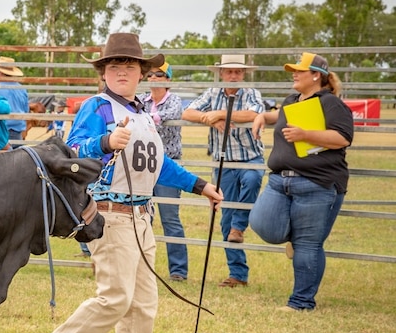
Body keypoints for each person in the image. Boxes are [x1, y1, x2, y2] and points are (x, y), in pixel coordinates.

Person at [15, 33, 223, 333]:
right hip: (110, 215)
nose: (122, 71)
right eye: (114, 66)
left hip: (142, 215)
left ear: (142, 72)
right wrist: (106, 142)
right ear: (104, 72)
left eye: (129, 65)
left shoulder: (143, 115)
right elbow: (72, 151)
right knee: (115, 298)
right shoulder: (97, 107)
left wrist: (200, 185)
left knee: (143, 305)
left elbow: (158, 164)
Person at [249, 53, 353, 312]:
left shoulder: (331, 104)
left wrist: (306, 135)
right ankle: (298, 238)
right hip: (279, 181)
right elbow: (282, 116)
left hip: (316, 183)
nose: (294, 74)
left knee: (309, 245)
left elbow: (342, 138)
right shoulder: (292, 100)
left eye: (299, 71)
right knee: (262, 224)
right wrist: (263, 116)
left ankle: (301, 302)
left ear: (316, 75)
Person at [181, 54, 265, 288]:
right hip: (223, 161)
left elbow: (254, 114)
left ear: (244, 74)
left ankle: (240, 226)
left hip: (250, 157)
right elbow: (188, 112)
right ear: (221, 74)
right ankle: (237, 274)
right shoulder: (213, 92)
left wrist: (221, 114)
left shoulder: (251, 93)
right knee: (224, 216)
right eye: (229, 72)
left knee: (253, 178)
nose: (233, 76)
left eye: (238, 72)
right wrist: (210, 119)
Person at [140, 61, 188, 281]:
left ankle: (178, 270)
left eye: (159, 74)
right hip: (144, 164)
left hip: (168, 164)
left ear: (168, 78)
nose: (154, 78)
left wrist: (147, 119)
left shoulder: (174, 100)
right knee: (142, 217)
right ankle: (141, 264)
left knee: (170, 219)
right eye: (150, 75)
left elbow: (170, 114)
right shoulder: (142, 99)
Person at [0, 57, 29, 147]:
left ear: (0, 72)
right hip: (17, 131)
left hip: (0, 130)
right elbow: (26, 110)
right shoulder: (22, 89)